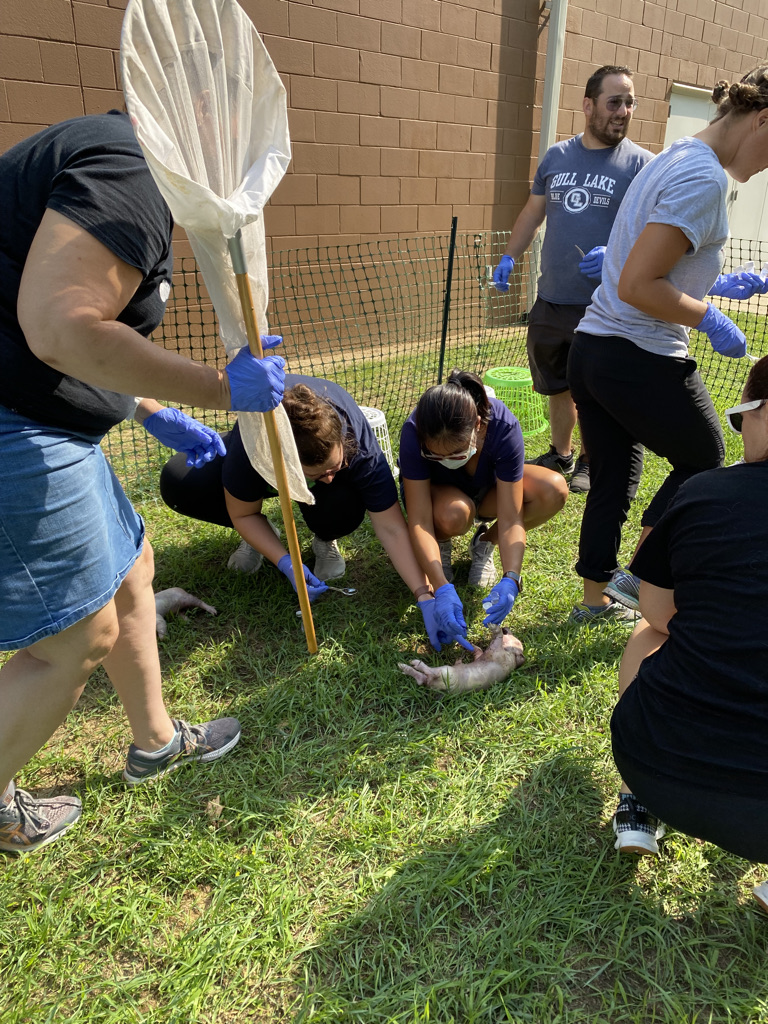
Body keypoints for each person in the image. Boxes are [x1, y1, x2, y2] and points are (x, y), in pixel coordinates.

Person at [0, 110, 287, 853]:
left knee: (134, 569)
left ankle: (154, 742)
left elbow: (67, 332)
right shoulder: (129, 168)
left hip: (49, 419)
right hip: (15, 426)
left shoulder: (107, 154)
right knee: (74, 639)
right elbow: (62, 329)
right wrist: (220, 389)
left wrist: (146, 407)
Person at [567, 67, 768, 625]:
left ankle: (595, 598)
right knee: (704, 456)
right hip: (638, 352)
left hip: (594, 348)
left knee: (613, 473)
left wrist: (714, 282)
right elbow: (638, 284)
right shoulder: (703, 179)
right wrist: (709, 317)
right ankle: (640, 578)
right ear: (762, 119)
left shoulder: (676, 154)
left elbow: (651, 261)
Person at [609, 355, 768, 911]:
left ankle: (634, 809)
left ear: (763, 410)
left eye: (742, 413)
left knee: (644, 637)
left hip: (654, 763)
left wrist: (716, 628)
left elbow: (653, 609)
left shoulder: (703, 492)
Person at [160, 374, 443, 643]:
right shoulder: (254, 445)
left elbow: (391, 527)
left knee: (341, 498)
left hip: (322, 465)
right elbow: (242, 513)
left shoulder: (359, 444)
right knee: (181, 481)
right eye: (318, 475)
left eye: (336, 466)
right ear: (284, 466)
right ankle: (262, 536)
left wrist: (424, 595)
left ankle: (324, 536)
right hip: (257, 450)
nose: (330, 477)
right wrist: (286, 562)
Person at [492, 65, 653, 494]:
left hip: (604, 306)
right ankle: (561, 453)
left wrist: (616, 259)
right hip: (551, 300)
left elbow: (657, 235)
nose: (624, 111)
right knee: (556, 386)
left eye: (630, 101)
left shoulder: (642, 166)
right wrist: (509, 255)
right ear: (588, 105)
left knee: (595, 392)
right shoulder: (557, 158)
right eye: (614, 101)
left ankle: (590, 459)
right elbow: (532, 213)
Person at [399, 370, 569, 650]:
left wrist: (511, 577)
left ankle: (485, 543)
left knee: (553, 490)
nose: (445, 460)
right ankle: (440, 549)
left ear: (478, 426)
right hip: (442, 502)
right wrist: (439, 587)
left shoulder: (503, 426)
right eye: (434, 455)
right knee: (454, 513)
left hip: (488, 491)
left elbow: (512, 515)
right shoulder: (414, 430)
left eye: (455, 453)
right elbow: (418, 521)